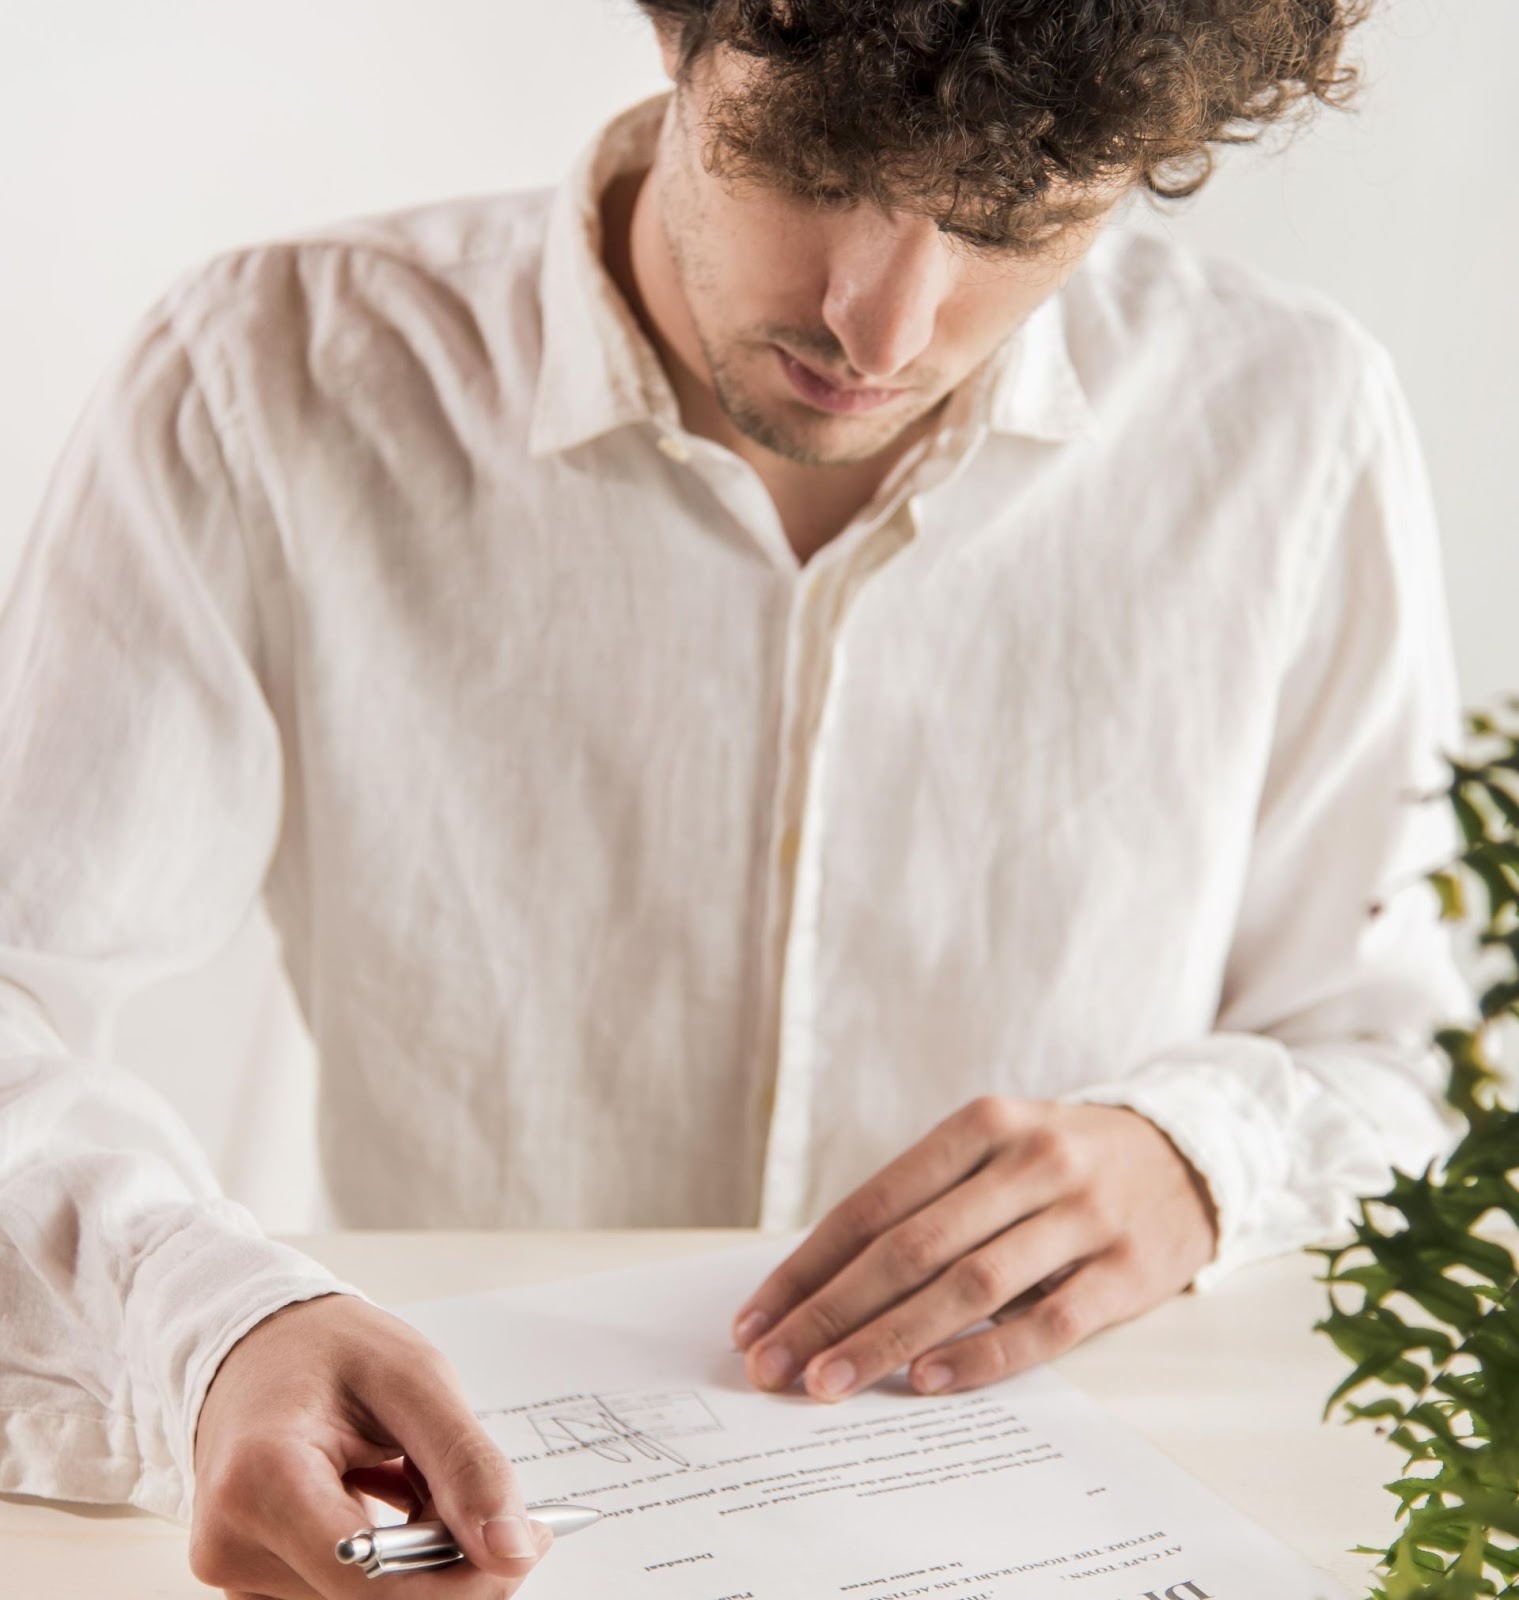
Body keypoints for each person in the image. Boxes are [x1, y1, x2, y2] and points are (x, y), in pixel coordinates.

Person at [0, 1, 1472, 1595]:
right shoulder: (269, 378)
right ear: (675, 30)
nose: (885, 328)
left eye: (1011, 222)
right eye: (818, 168)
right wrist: (210, 1325)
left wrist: (1198, 1158)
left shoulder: (1291, 421)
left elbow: (1395, 1053)